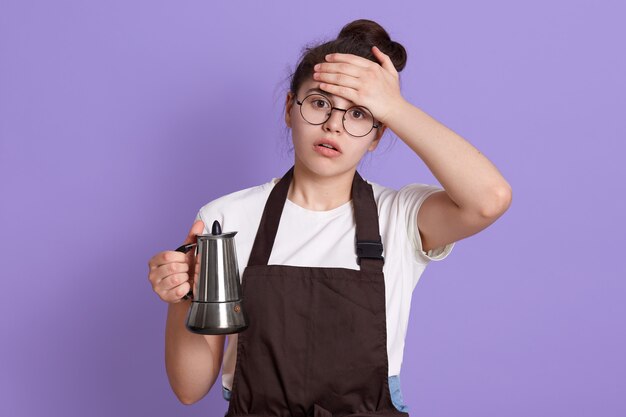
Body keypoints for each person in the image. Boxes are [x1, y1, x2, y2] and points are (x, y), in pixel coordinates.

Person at [148, 19, 512, 416]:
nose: (334, 124)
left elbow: (489, 199)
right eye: (320, 103)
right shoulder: (226, 218)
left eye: (358, 113)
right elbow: (189, 388)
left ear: (377, 134)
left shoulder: (400, 217)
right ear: (290, 108)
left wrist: (394, 106)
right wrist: (179, 299)